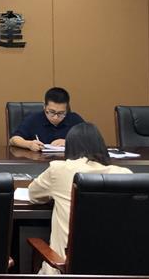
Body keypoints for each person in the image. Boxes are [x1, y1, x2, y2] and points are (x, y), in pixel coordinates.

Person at [27, 123, 132, 275]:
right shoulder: (124, 175)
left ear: (69, 147)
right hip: (112, 271)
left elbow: (33, 195)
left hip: (63, 270)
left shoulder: (59, 169)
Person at [9, 87, 84, 151]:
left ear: (67, 108)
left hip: (67, 162)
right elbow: (13, 140)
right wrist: (29, 144)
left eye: (61, 113)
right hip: (39, 161)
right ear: (44, 106)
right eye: (52, 112)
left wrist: (69, 142)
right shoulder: (33, 119)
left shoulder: (74, 119)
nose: (55, 117)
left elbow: (89, 140)